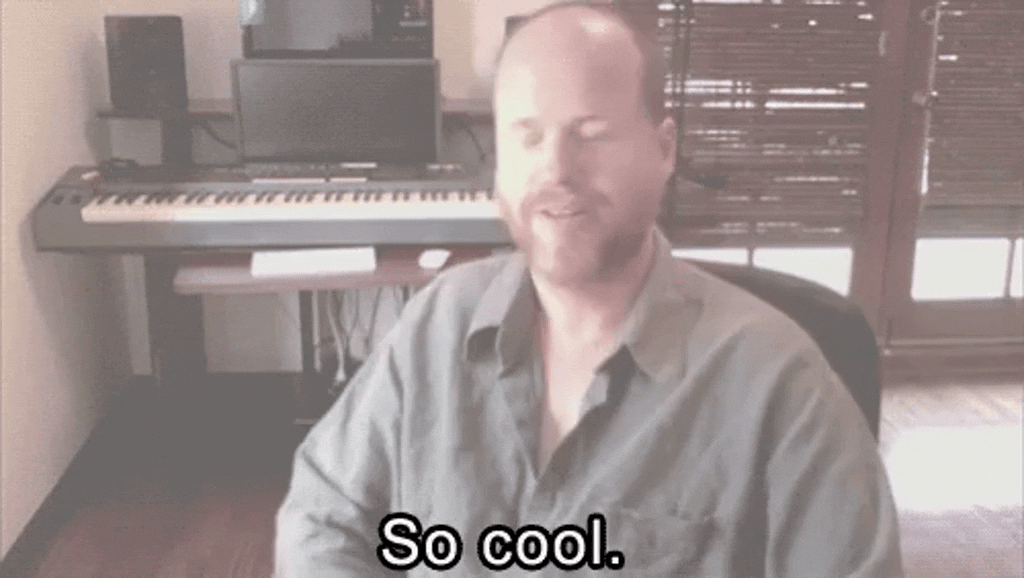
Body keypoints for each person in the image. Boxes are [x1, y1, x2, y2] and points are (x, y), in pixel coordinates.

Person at [275, 3, 903, 576]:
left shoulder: (781, 386)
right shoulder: (437, 323)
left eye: (593, 132)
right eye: (528, 136)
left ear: (664, 149)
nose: (556, 169)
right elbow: (323, 514)